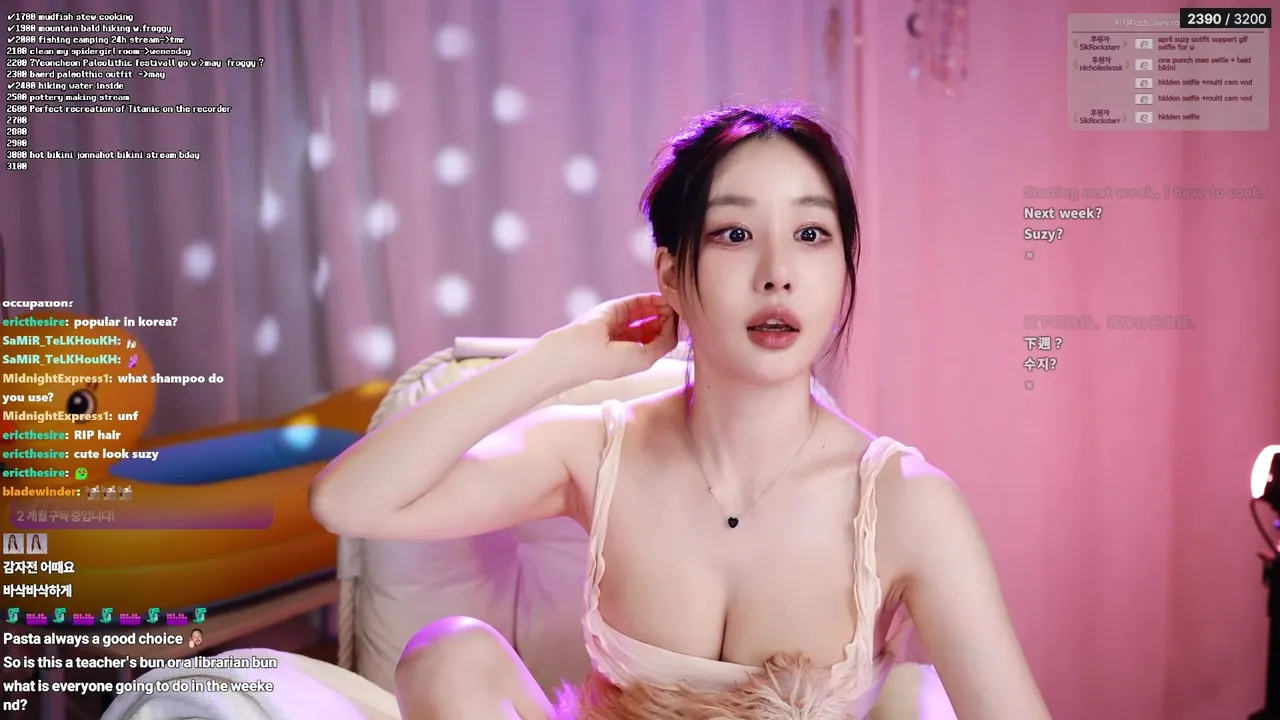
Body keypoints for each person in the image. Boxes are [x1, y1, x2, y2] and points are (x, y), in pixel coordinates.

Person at [312, 105, 1051, 720]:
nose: (777, 274)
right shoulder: (597, 452)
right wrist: (559, 360)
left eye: (811, 234)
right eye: (735, 234)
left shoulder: (906, 503)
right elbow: (347, 501)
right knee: (447, 653)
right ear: (671, 272)